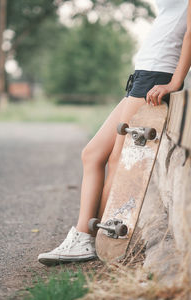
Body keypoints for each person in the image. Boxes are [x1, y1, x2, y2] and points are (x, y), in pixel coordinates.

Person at [38, 0, 191, 265]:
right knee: (92, 154)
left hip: (158, 74)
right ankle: (85, 237)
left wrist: (175, 81)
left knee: (118, 158)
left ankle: (88, 236)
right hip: (144, 73)